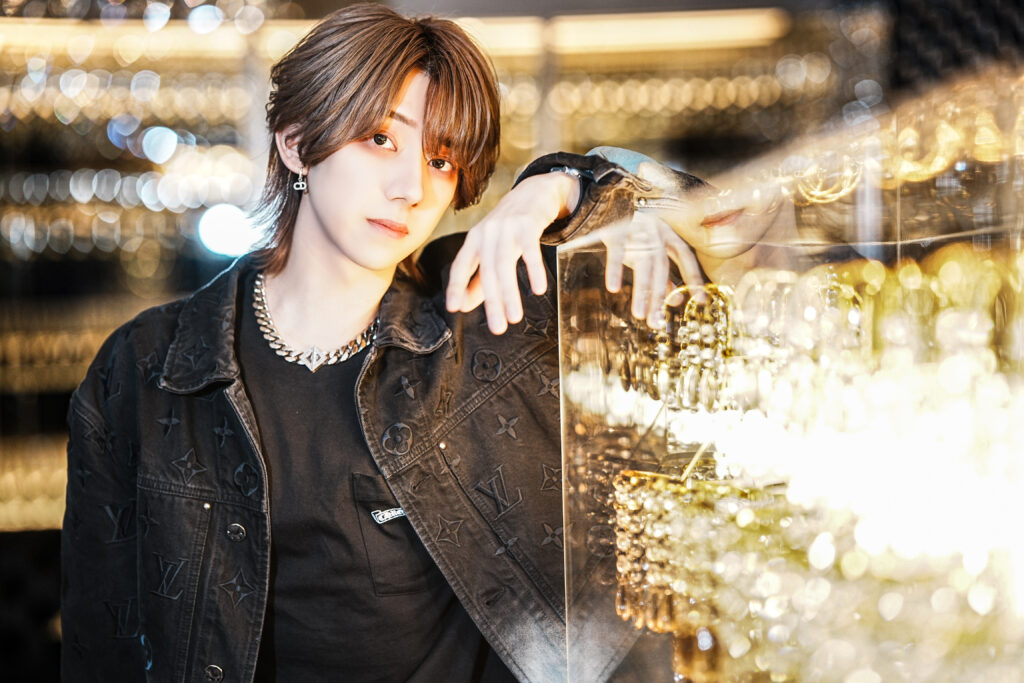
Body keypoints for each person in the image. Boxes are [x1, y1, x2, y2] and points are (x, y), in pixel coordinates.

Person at [60, 5, 710, 682]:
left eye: (440, 159)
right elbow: (97, 646)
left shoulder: (489, 307)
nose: (411, 189)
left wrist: (561, 188)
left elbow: (733, 239)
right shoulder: (144, 370)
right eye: (380, 138)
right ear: (296, 142)